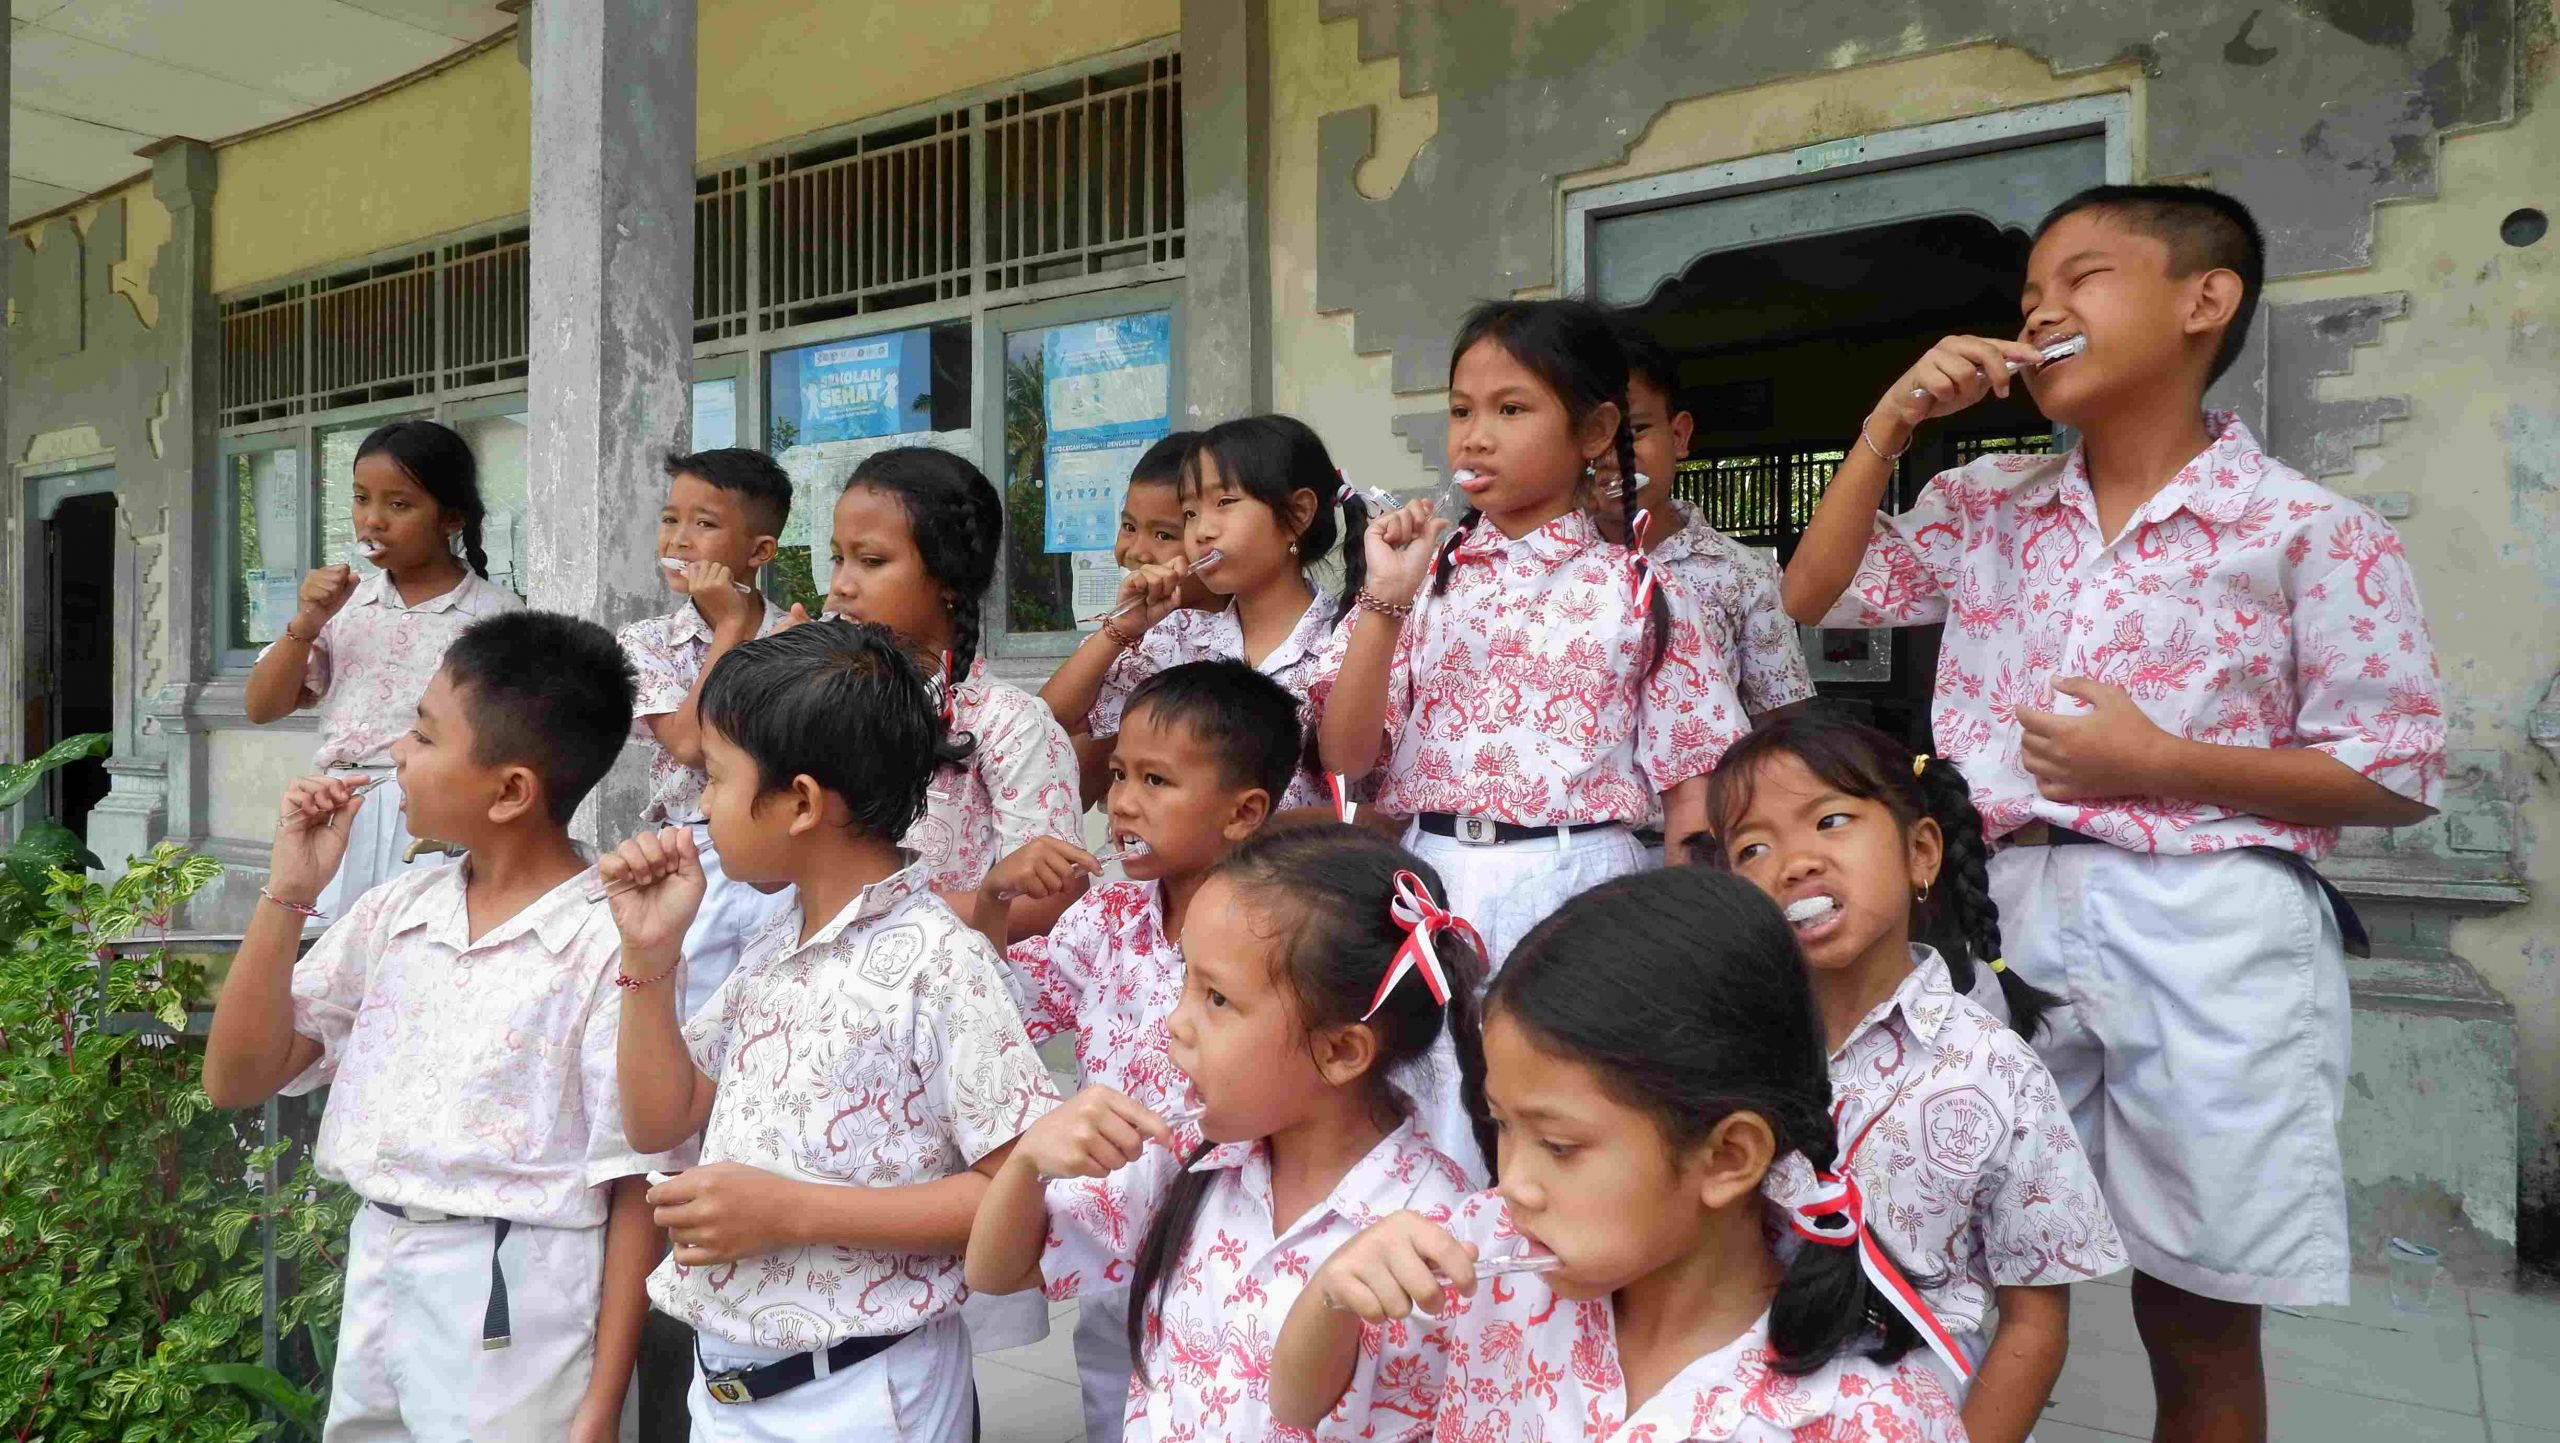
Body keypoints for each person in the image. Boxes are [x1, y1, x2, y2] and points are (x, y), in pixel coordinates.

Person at [1781, 184, 2447, 1443]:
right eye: (2029, 295)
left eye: (2080, 279)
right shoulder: (1987, 501)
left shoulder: (2312, 531)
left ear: (2205, 301)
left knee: (2197, 1308)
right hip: (1996, 912)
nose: (2041, 313)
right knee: (1930, 1249)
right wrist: (1887, 423)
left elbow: (2395, 771)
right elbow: (1812, 597)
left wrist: (2162, 761)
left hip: (2209, 923)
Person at [1270, 867, 1968, 1443]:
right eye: (1501, 1124)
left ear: (1727, 1156)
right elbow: (1302, 1405)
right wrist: (1334, 1295)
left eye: (1560, 1145)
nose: (1514, 1184)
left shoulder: (1865, 1417)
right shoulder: (1487, 1261)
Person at [203, 611, 669, 1443]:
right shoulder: (399, 911)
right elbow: (235, 1077)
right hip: (382, 1257)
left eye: (423, 734)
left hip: (514, 1292)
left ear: (511, 790)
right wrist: (290, 891)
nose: (395, 752)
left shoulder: (608, 939)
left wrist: (602, 1406)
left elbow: (635, 1184)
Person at [600, 622, 1060, 1439]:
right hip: (729, 1387)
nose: (700, 805)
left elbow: (1014, 1188)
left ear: (803, 802)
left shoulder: (941, 960)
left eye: (716, 777)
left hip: (864, 1390)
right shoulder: (776, 943)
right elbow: (658, 1120)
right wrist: (649, 956)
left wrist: (793, 1212)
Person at [963, 828, 1491, 1443]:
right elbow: (997, 1272)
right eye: (1186, 979)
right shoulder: (1184, 1157)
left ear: (1341, 1051)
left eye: (1215, 998)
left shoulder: (1437, 1239)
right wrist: (1028, 1162)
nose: (1175, 1021)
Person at [1709, 714, 2127, 1443]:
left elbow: (2034, 1325)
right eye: (1753, 848)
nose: (1794, 863)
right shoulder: (1714, 1056)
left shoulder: (1998, 1070)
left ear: (1921, 852)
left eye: (1830, 821)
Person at [1314, 298, 1747, 963]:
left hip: (1584, 887)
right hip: (1430, 882)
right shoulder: (1420, 581)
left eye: (1510, 409)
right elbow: (1344, 758)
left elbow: (1695, 787)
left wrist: (1683, 942)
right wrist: (1385, 602)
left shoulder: (1641, 592)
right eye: (1462, 411)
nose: (1475, 437)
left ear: (1595, 430)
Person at [969, 658, 1305, 1443]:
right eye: (1119, 773)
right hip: (1109, 1251)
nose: (1120, 801)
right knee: (1118, 1411)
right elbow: (996, 1013)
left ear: (1244, 811)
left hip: (1233, 1249)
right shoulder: (1105, 917)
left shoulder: (1285, 936)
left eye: (1156, 780)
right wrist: (992, 899)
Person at [240, 418, 518, 919]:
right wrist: (307, 621)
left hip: (434, 821)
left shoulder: (497, 617)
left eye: (399, 505)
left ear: (452, 517)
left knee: (417, 950)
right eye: (360, 498)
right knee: (329, 955)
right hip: (334, 815)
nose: (372, 521)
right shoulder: (342, 606)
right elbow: (262, 706)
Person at [812, 448, 1083, 940]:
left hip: (952, 980)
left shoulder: (1010, 723)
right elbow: (769, 867)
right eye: (838, 558)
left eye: (871, 561)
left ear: (949, 580)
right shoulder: (827, 701)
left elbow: (1050, 900)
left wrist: (871, 916)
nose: (840, 586)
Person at [1041, 416, 1370, 817]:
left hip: (1301, 859)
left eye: (1224, 503)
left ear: (1298, 515)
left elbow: (1369, 802)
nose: (1200, 532)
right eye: (1190, 513)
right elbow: (1048, 720)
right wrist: (1120, 628)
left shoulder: (1353, 640)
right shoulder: (1178, 636)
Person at [617, 446, 795, 1017]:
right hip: (689, 853)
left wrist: (753, 631)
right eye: (670, 519)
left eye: (705, 524)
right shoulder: (647, 642)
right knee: (690, 1012)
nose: (679, 540)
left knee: (776, 1009)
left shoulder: (800, 636)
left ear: (759, 551)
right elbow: (690, 745)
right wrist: (731, 628)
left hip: (783, 853)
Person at [1046, 430, 1214, 805]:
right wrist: (1117, 632)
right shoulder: (1141, 638)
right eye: (1129, 527)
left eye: (1163, 535)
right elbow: (1044, 723)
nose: (1136, 551)